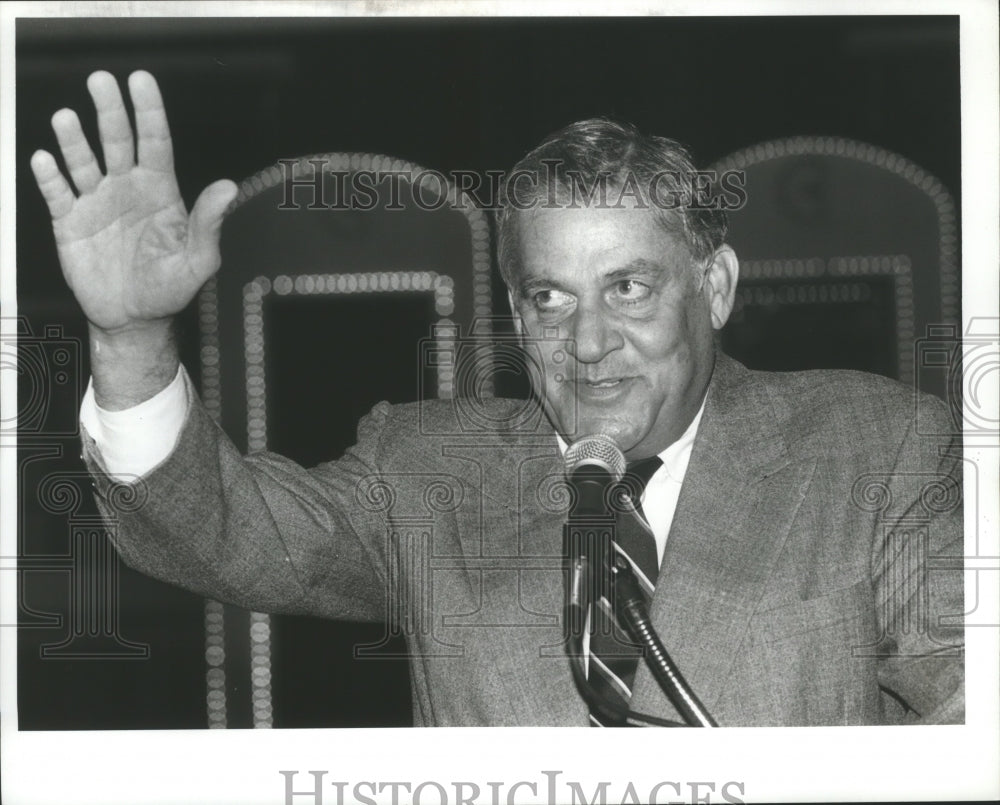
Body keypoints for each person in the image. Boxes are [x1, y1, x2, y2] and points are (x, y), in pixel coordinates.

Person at [31, 70, 964, 727]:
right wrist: (130, 338)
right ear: (517, 316)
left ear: (714, 287)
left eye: (630, 289)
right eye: (550, 298)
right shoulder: (428, 471)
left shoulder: (877, 451)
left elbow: (973, 710)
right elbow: (220, 531)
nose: (589, 343)